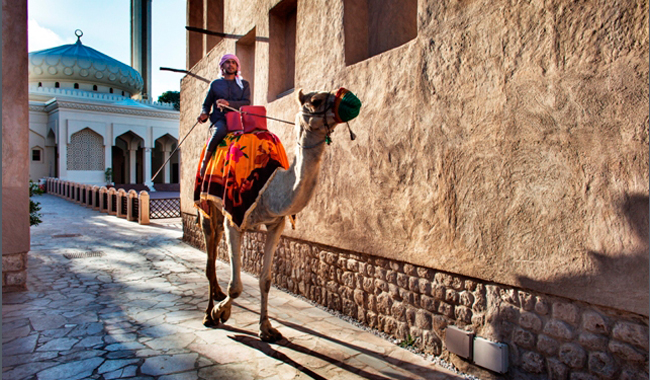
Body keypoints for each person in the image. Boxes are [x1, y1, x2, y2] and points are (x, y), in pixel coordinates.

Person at [197, 53, 251, 176]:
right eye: (228, 62)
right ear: (222, 66)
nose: (231, 65)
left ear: (237, 66)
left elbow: (247, 103)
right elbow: (206, 105)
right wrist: (204, 114)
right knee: (221, 130)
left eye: (233, 62)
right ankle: (206, 161)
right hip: (220, 119)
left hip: (239, 119)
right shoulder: (215, 84)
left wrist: (228, 103)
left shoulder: (244, 84)